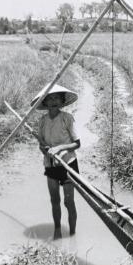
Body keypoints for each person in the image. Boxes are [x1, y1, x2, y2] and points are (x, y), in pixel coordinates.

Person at [32, 83, 80, 240]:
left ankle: (72, 233)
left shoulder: (67, 118)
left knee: (68, 201)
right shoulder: (43, 121)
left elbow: (77, 143)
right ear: (45, 102)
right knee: (54, 200)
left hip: (68, 164)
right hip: (51, 165)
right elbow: (41, 144)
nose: (53, 101)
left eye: (57, 98)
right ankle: (57, 230)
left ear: (62, 101)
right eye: (50, 98)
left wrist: (60, 148)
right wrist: (45, 151)